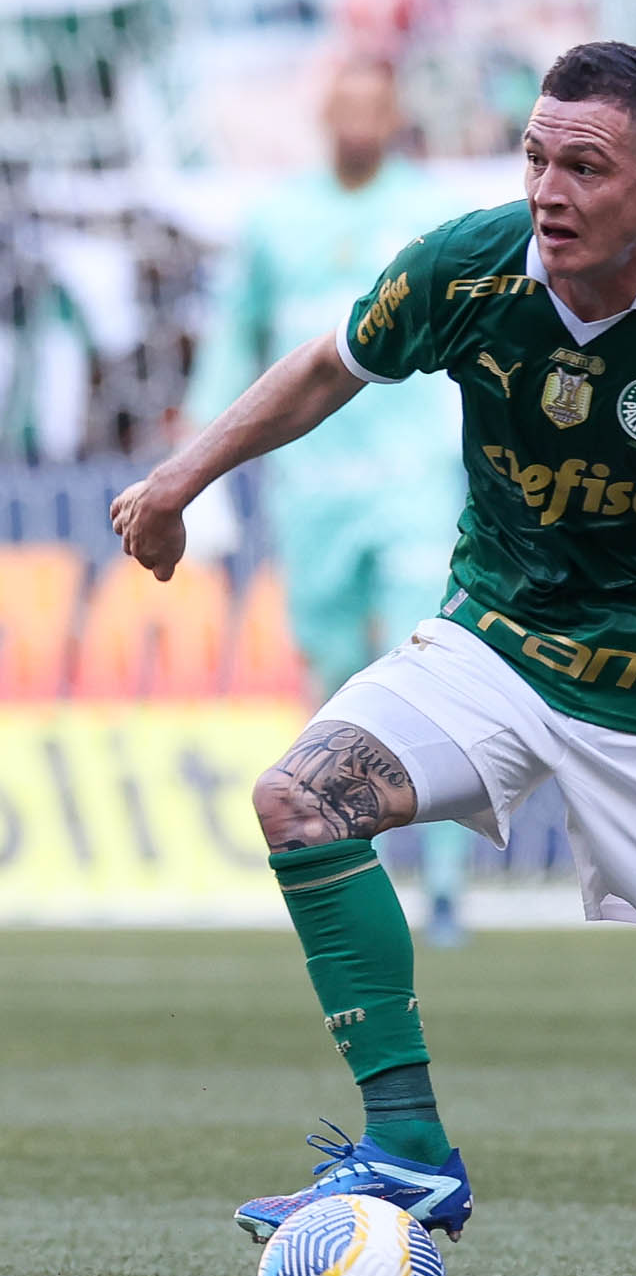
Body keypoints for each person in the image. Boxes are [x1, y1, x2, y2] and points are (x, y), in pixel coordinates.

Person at [110, 40, 636, 1276]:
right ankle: (411, 1150)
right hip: (497, 641)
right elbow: (326, 364)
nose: (547, 188)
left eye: (584, 167)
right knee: (301, 799)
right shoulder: (474, 263)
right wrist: (177, 483)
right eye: (536, 154)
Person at [184, 54, 473, 946]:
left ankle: (450, 890)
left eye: (372, 105)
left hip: (413, 483)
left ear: (394, 116)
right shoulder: (276, 220)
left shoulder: (434, 215)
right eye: (341, 104)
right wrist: (198, 456)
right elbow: (237, 338)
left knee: (426, 672)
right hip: (309, 489)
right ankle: (364, 877)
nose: (357, 121)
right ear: (323, 115)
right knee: (330, 679)